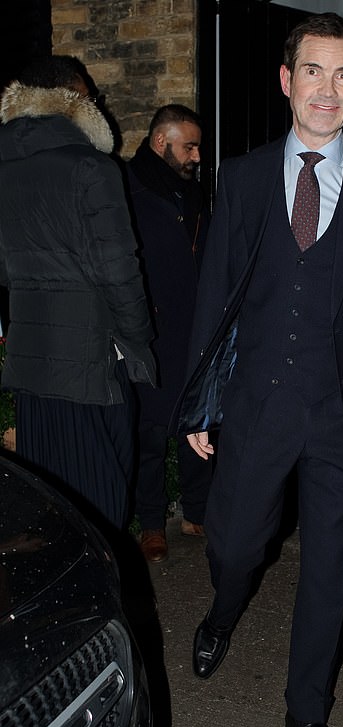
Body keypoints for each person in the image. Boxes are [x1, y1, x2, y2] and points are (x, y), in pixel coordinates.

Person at [176, 14, 343, 727]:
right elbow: (215, 298)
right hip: (256, 404)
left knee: (326, 567)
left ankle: (306, 709)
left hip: (342, 414)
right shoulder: (241, 178)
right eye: (314, 71)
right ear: (287, 80)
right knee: (236, 542)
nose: (328, 89)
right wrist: (200, 405)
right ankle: (221, 611)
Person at [0, 55, 155, 530]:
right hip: (91, 364)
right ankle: (102, 600)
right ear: (72, 100)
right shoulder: (91, 167)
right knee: (102, 502)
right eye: (92, 95)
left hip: (31, 362)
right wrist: (140, 339)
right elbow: (119, 270)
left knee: (50, 504)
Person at [126, 104, 212, 563]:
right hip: (151, 329)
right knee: (151, 432)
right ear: (162, 142)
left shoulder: (191, 192)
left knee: (197, 419)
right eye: (190, 146)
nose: (197, 156)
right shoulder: (129, 187)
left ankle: (196, 512)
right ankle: (152, 524)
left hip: (194, 325)